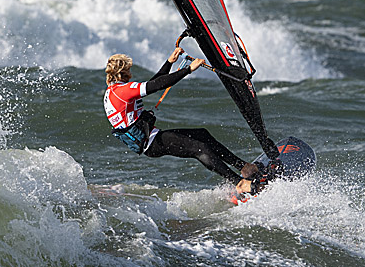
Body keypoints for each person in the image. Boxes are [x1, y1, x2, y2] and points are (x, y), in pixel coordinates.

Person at [103, 48, 260, 192]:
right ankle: (240, 183)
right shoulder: (122, 91)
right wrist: (188, 69)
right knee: (199, 148)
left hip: (152, 139)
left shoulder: (115, 91)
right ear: (123, 72)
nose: (131, 72)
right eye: (129, 69)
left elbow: (153, 83)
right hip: (152, 142)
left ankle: (243, 167)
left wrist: (169, 62)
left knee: (202, 134)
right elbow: (156, 85)